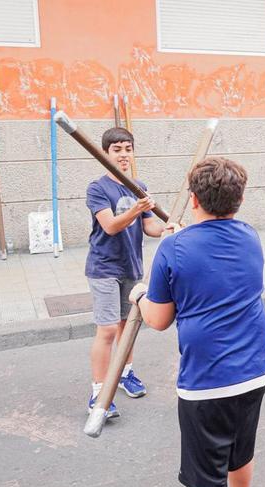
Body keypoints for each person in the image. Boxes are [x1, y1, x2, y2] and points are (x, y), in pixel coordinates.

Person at [131, 157, 265, 487]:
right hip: (253, 373)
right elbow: (208, 256)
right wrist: (181, 240)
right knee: (240, 453)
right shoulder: (250, 236)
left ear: (193, 199)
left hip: (208, 383)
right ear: (240, 199)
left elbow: (158, 319)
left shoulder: (173, 248)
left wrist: (139, 295)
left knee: (207, 479)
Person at [85, 127, 167, 417]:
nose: (123, 155)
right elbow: (110, 225)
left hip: (132, 266)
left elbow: (150, 227)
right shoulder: (97, 188)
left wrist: (169, 229)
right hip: (104, 267)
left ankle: (125, 374)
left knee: (127, 326)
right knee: (107, 329)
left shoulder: (138, 185)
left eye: (127, 149)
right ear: (105, 154)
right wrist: (138, 207)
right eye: (117, 149)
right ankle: (98, 393)